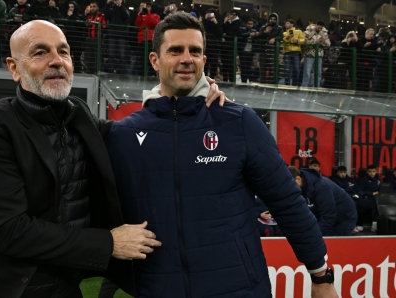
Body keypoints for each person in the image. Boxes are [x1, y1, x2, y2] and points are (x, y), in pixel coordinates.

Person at [0, 19, 227, 297]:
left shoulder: (78, 114)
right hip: (0, 287)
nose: (56, 61)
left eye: (64, 51)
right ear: (14, 68)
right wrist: (108, 243)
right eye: (40, 52)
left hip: (64, 284)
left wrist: (194, 90)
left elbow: (139, 135)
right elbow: (9, 231)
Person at [104, 12, 337, 297]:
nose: (186, 58)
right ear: (155, 60)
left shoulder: (238, 122)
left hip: (238, 288)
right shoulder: (125, 134)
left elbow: (287, 202)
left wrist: (321, 275)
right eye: (175, 50)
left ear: (204, 61)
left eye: (195, 51)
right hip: (159, 288)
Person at [288, 166, 357, 236]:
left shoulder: (321, 187)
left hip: (344, 218)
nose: (289, 188)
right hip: (324, 215)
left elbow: (328, 217)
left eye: (290, 185)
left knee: (332, 244)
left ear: (298, 179)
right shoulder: (302, 186)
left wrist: (312, 235)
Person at [302, 20, 331, 87]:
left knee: (318, 73)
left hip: (319, 55)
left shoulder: (324, 33)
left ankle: (316, 88)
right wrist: (315, 42)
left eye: (321, 27)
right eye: (319, 26)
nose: (320, 28)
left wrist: (322, 42)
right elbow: (304, 42)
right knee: (307, 73)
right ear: (316, 25)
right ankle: (304, 87)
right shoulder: (308, 31)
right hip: (309, 54)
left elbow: (328, 44)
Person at [257, 13, 283, 84]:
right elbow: (259, 37)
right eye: (271, 19)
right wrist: (265, 31)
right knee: (262, 70)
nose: (272, 21)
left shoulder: (279, 28)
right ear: (269, 19)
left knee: (272, 70)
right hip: (263, 51)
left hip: (272, 51)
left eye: (274, 19)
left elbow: (281, 37)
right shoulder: (263, 27)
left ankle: (272, 87)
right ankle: (262, 85)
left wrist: (274, 39)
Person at [357, 164, 380, 232]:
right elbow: (360, 191)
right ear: (367, 172)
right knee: (375, 204)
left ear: (376, 171)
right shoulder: (363, 180)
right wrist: (372, 193)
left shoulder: (378, 180)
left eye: (373, 171)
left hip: (377, 198)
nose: (372, 173)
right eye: (370, 171)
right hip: (366, 199)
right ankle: (374, 224)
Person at [282, 18, 305, 86]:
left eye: (288, 23)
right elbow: (282, 42)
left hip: (296, 52)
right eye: (286, 23)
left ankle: (295, 84)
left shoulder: (298, 31)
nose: (286, 24)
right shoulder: (284, 33)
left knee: (296, 69)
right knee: (287, 69)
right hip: (287, 52)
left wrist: (297, 41)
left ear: (292, 24)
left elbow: (303, 40)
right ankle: (287, 83)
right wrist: (288, 37)